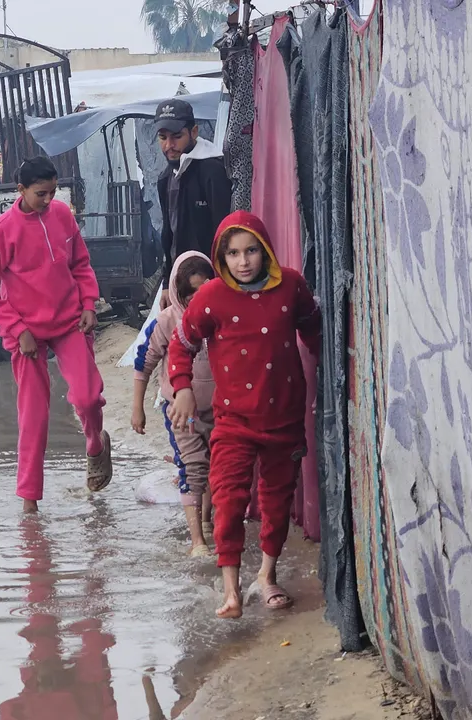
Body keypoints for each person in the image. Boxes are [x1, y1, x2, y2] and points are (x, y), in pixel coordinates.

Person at [167, 210, 321, 619]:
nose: (243, 261)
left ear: (265, 249)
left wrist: (335, 367)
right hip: (233, 423)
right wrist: (182, 388)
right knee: (229, 499)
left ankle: (266, 578)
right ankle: (231, 591)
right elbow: (182, 344)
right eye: (233, 253)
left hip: (284, 418)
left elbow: (314, 327)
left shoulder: (291, 286)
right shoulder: (211, 298)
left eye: (251, 250)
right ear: (222, 256)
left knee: (276, 501)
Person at [0, 156, 114, 513]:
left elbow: (81, 264)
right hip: (26, 335)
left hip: (69, 322)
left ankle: (96, 445)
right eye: (41, 194)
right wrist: (17, 329)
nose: (48, 199)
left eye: (53, 192)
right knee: (33, 415)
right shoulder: (2, 230)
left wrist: (88, 304)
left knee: (86, 397)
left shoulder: (63, 216)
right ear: (20, 190)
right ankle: (29, 503)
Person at [132, 250, 216, 557]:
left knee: (215, 468)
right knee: (193, 467)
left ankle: (206, 522)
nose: (196, 298)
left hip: (222, 409)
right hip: (182, 414)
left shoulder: (222, 316)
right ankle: (197, 541)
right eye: (189, 293)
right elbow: (144, 362)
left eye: (203, 290)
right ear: (178, 293)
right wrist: (137, 407)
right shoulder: (168, 321)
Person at [154, 98, 231, 298]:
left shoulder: (212, 170)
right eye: (163, 137)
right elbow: (168, 234)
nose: (169, 145)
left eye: (177, 136)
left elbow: (224, 232)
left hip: (211, 281)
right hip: (181, 283)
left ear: (194, 132)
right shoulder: (165, 177)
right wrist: (165, 283)